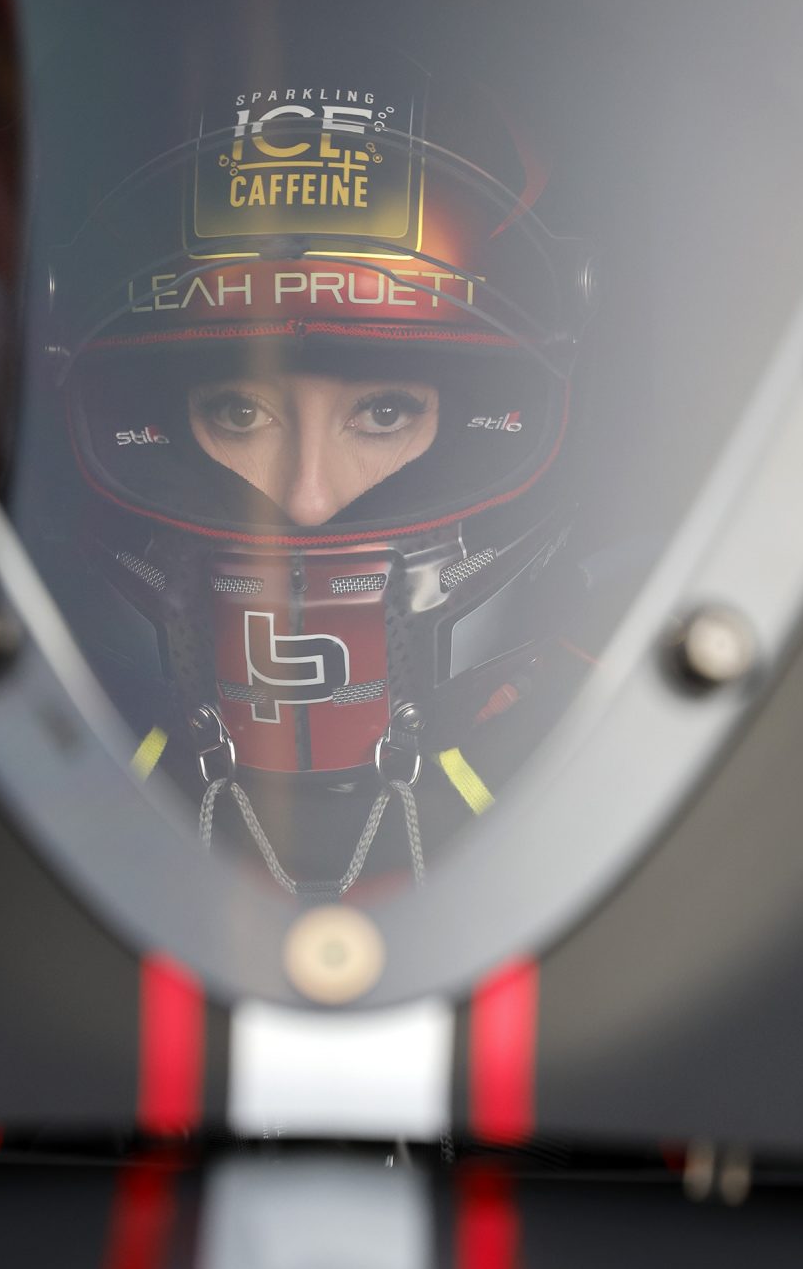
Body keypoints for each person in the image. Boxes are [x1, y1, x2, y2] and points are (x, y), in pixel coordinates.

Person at [47, 48, 595, 897]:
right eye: (238, 411)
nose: (308, 499)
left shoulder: (630, 749)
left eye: (384, 413)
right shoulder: (37, 761)